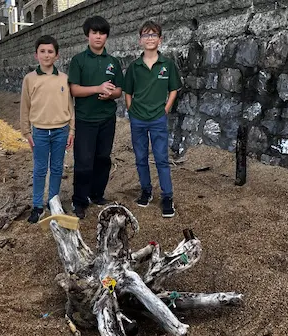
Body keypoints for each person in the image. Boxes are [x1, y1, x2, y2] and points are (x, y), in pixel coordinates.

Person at [124, 20, 182, 218]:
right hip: (138, 118)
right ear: (140, 40)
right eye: (146, 35)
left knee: (161, 159)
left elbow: (174, 89)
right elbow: (128, 91)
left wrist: (166, 108)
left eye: (153, 35)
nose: (150, 38)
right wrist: (131, 110)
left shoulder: (167, 65)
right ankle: (146, 190)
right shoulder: (134, 67)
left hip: (158, 118)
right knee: (141, 158)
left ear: (160, 39)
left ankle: (167, 197)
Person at [68, 16, 123, 219]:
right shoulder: (78, 61)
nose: (98, 36)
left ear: (106, 36)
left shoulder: (113, 62)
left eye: (101, 33)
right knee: (83, 161)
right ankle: (80, 200)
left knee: (103, 159)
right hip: (85, 119)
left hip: (107, 118)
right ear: (87, 35)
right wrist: (97, 89)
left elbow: (119, 90)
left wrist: (111, 94)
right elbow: (73, 89)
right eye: (94, 32)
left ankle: (97, 195)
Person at [20, 35, 75, 224]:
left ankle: (53, 202)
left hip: (61, 131)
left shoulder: (64, 78)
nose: (46, 55)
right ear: (36, 55)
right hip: (40, 132)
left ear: (57, 55)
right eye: (42, 51)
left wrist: (72, 130)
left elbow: (70, 106)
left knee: (57, 168)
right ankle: (37, 206)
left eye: (50, 51)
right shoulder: (29, 79)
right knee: (40, 169)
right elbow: (24, 107)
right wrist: (26, 132)